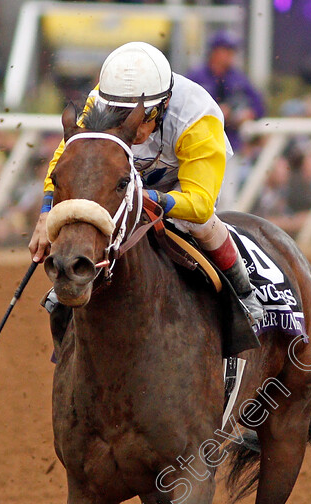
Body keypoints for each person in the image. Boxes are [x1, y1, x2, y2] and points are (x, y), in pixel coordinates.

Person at [28, 41, 264, 323]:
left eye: (143, 119)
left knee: (199, 224)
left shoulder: (198, 115)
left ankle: (243, 293)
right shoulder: (101, 100)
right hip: (125, 178)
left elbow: (200, 204)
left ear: (164, 104)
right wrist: (45, 215)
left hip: (182, 184)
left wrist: (142, 198)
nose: (135, 131)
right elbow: (65, 161)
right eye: (122, 118)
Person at [186, 30, 265, 152]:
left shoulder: (238, 78)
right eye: (227, 50)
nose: (231, 55)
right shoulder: (197, 76)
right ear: (215, 52)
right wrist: (215, 112)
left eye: (232, 51)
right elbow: (183, 107)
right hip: (200, 142)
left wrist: (247, 114)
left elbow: (259, 105)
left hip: (232, 143)